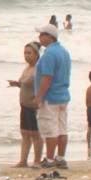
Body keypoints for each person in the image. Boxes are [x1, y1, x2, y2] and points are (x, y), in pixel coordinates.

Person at [34, 21, 72, 169]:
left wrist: (39, 97)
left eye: (41, 34)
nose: (39, 37)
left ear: (49, 37)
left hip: (51, 97)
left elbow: (47, 77)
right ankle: (60, 157)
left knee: (51, 129)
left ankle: (49, 159)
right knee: (62, 128)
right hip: (63, 94)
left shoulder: (49, 53)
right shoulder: (63, 51)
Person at [7, 41, 44, 167]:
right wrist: (16, 84)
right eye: (25, 53)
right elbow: (24, 84)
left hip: (34, 106)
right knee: (25, 133)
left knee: (36, 134)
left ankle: (37, 161)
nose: (26, 55)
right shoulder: (27, 68)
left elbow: (43, 86)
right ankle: (23, 161)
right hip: (24, 105)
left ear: (36, 54)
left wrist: (39, 99)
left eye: (29, 53)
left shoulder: (39, 68)